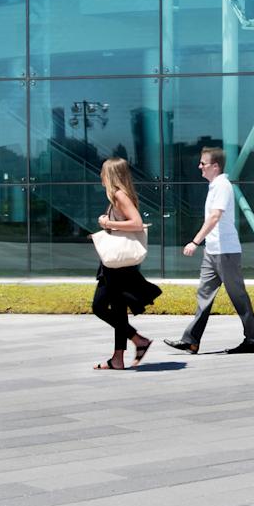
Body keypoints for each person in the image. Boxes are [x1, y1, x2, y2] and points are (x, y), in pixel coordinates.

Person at [166, 147, 254, 355]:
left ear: (215, 166)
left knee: (238, 297)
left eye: (203, 163)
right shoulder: (214, 186)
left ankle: (253, 341)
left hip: (226, 252)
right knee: (204, 295)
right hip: (213, 251)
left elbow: (215, 217)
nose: (199, 166)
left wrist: (195, 241)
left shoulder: (223, 186)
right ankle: (190, 341)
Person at [91, 157, 160, 370]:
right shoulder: (116, 196)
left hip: (118, 265)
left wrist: (107, 222)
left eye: (103, 172)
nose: (101, 176)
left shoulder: (119, 195)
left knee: (99, 306)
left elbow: (137, 223)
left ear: (110, 174)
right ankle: (118, 358)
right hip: (116, 264)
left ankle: (138, 340)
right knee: (118, 308)